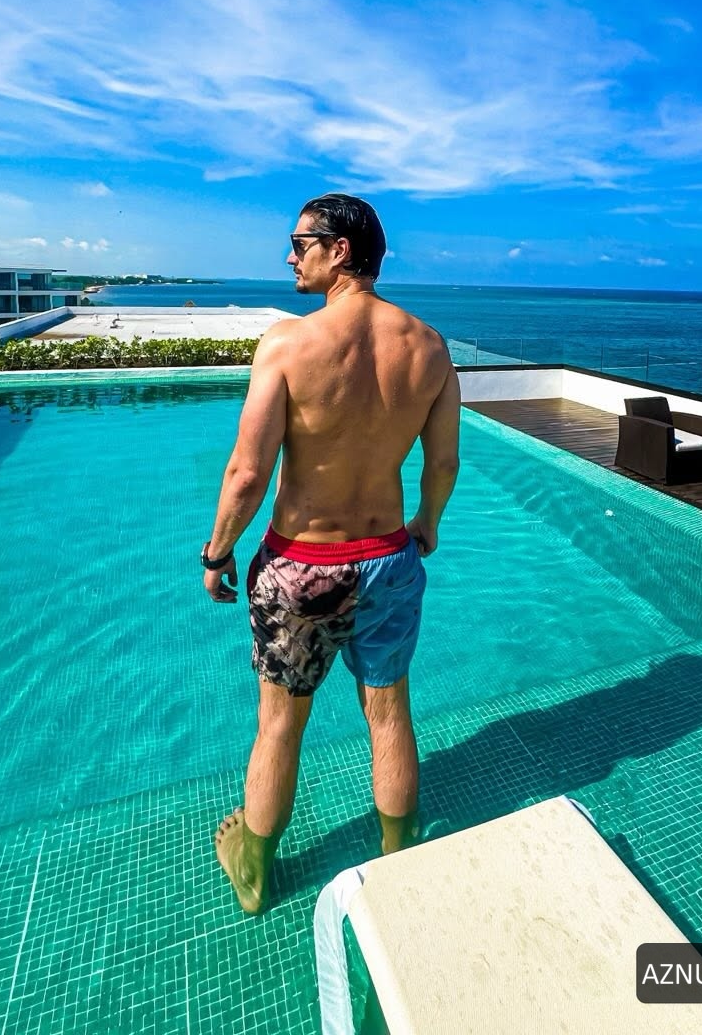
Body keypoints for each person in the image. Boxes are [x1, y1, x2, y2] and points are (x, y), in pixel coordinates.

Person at [202, 192, 460, 915]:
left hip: (302, 569)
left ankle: (255, 868)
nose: (290, 256)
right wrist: (428, 523)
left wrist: (217, 553)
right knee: (389, 714)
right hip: (390, 560)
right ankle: (399, 857)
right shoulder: (431, 348)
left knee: (280, 724)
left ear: (339, 250)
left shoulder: (289, 343)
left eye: (299, 242)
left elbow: (247, 474)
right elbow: (443, 463)